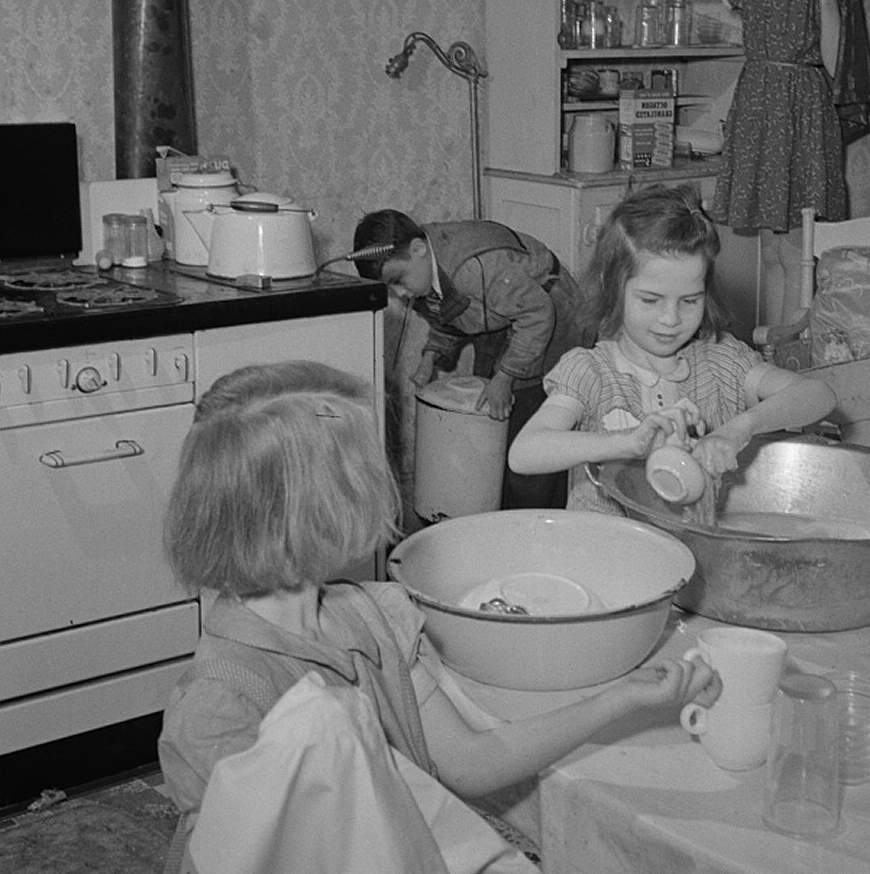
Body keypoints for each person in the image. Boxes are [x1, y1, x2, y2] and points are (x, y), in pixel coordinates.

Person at [158, 360, 718, 871]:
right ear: (315, 512)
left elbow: (472, 762)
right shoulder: (219, 702)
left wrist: (621, 700)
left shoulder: (372, 616)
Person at [508, 184, 836, 512]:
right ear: (613, 285)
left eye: (690, 300)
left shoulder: (722, 360)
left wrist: (739, 430)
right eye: (651, 300)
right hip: (607, 553)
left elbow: (818, 395)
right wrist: (626, 443)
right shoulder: (591, 371)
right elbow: (524, 453)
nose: (671, 319)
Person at [618, 0, 848, 327]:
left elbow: (836, 68)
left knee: (797, 249)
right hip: (757, 106)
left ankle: (789, 354)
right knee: (769, 247)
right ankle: (776, 349)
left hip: (801, 109)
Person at [353, 210, 588, 509]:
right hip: (508, 316)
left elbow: (537, 315)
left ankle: (534, 523)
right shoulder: (426, 266)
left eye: (397, 280)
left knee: (530, 432)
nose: (400, 293)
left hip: (551, 320)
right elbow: (454, 313)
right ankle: (505, 512)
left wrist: (505, 377)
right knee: (495, 421)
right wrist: (431, 356)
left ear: (418, 249)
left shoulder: (472, 268)